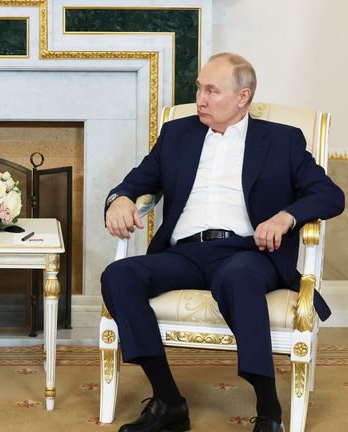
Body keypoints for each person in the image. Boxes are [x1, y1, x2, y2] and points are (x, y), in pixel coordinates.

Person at [101, 52, 344, 432]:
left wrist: (285, 217)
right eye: (199, 88)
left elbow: (331, 195)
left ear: (243, 96)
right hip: (184, 253)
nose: (200, 98)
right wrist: (120, 199)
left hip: (247, 253)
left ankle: (268, 410)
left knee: (236, 277)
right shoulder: (177, 134)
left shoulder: (282, 140)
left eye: (212, 91)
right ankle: (167, 400)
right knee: (118, 275)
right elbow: (137, 181)